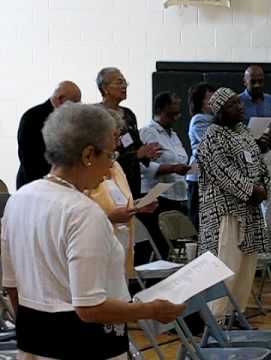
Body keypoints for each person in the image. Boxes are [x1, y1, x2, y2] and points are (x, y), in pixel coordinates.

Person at [1, 103, 185, 360]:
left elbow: (12, 286)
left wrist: (35, 334)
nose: (111, 167)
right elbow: (90, 308)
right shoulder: (83, 212)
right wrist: (152, 310)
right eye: (110, 156)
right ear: (88, 155)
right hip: (86, 345)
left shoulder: (18, 199)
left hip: (34, 341)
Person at [197, 87, 270, 319]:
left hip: (249, 209)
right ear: (219, 111)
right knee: (225, 267)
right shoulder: (213, 135)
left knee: (245, 268)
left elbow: (261, 164)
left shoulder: (244, 133)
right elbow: (222, 171)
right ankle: (216, 320)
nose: (240, 107)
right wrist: (251, 190)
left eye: (239, 103)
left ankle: (236, 317)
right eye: (233, 104)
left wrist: (264, 186)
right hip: (226, 213)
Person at [87, 110, 157, 278]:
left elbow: (120, 201)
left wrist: (138, 206)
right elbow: (80, 214)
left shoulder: (116, 167)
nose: (119, 144)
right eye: (115, 137)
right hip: (96, 249)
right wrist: (109, 217)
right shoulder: (84, 171)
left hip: (122, 247)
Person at [138, 92, 190, 260]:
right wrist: (173, 168)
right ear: (160, 110)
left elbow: (181, 158)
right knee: (157, 244)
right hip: (158, 196)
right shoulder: (148, 132)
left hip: (177, 195)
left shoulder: (173, 134)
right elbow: (144, 166)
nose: (176, 117)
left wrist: (183, 168)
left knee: (171, 246)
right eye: (171, 114)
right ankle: (151, 283)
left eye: (177, 114)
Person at [96, 67, 161, 199]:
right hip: (109, 179)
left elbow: (136, 144)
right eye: (119, 82)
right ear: (105, 87)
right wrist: (136, 154)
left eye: (125, 83)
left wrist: (147, 152)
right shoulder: (96, 114)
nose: (124, 86)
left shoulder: (129, 114)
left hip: (132, 178)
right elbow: (99, 153)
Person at [239, 65, 271, 241]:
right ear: (245, 81)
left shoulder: (270, 100)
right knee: (251, 196)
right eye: (253, 81)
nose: (257, 85)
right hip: (247, 156)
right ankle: (252, 238)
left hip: (266, 153)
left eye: (260, 81)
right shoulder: (237, 101)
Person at [16, 81, 81, 189]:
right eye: (75, 103)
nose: (77, 108)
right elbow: (29, 158)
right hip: (35, 182)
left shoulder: (66, 118)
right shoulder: (32, 117)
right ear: (60, 99)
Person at [186, 82, 216, 230]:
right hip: (198, 174)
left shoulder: (215, 119)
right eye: (209, 98)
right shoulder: (199, 119)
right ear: (201, 101)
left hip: (210, 175)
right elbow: (210, 143)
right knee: (199, 219)